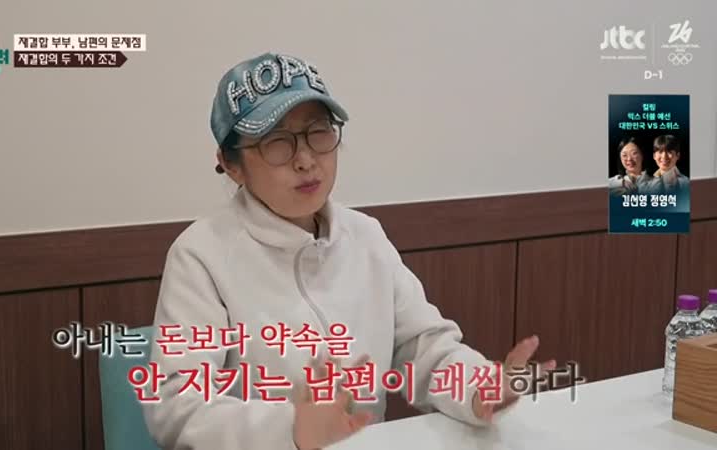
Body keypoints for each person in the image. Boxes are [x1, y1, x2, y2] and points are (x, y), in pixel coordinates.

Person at [142, 52, 556, 450]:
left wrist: (478, 388)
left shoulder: (365, 236)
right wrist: (292, 430)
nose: (306, 160)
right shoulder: (201, 255)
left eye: (318, 132)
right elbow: (177, 405)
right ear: (231, 164)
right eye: (277, 142)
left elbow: (424, 347)